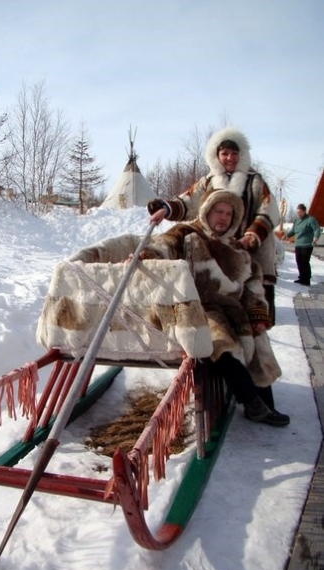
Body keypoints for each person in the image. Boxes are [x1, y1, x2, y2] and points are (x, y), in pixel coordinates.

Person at [137, 188, 290, 427]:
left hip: (230, 311)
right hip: (192, 307)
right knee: (221, 341)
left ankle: (266, 400)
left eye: (229, 214)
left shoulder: (238, 251)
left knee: (258, 339)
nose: (223, 217)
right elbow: (163, 245)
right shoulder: (188, 233)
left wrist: (258, 316)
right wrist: (146, 254)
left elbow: (254, 286)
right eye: (218, 211)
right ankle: (252, 403)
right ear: (207, 210)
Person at [147, 127, 279, 325]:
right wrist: (166, 209)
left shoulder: (255, 181)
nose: (230, 158)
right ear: (216, 155)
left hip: (251, 250)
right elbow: (188, 201)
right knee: (219, 312)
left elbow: (269, 210)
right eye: (224, 153)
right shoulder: (209, 181)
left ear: (241, 155)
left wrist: (251, 237)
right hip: (219, 252)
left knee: (253, 316)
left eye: (234, 154)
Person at [283, 203, 321, 286]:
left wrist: (315, 238)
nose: (298, 214)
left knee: (304, 261)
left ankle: (306, 279)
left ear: (304, 211)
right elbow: (293, 230)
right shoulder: (296, 220)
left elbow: (316, 229)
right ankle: (301, 277)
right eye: (298, 212)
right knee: (299, 261)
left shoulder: (310, 219)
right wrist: (287, 235)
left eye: (300, 212)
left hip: (307, 245)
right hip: (298, 244)